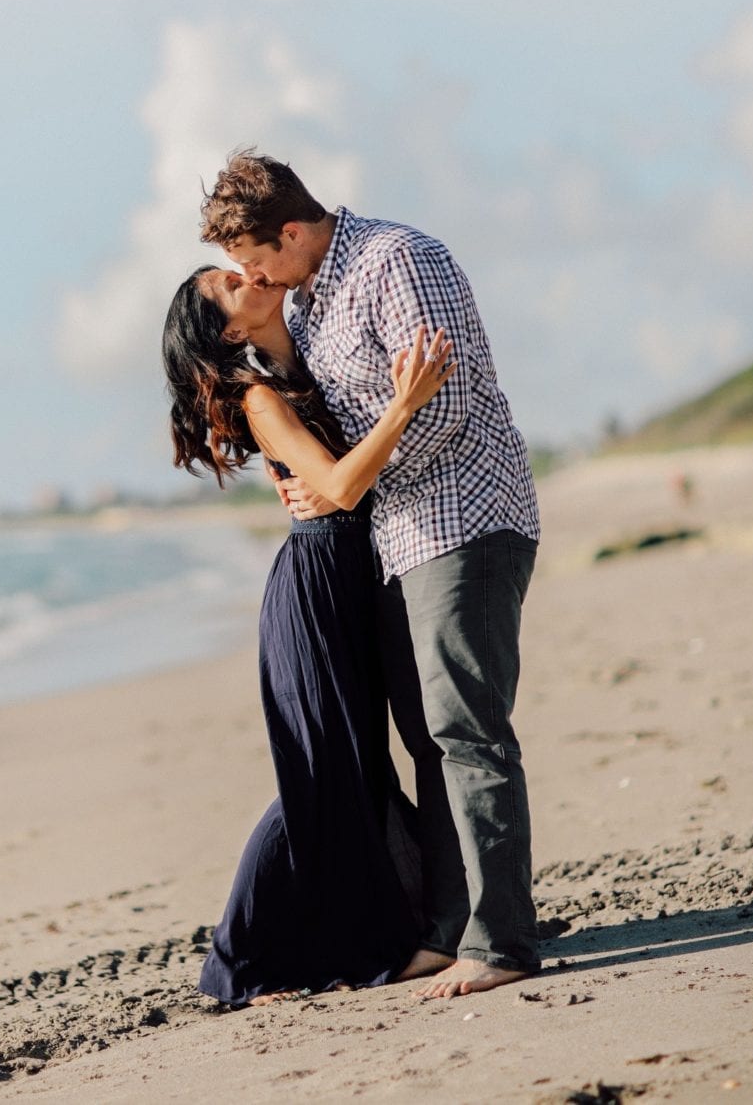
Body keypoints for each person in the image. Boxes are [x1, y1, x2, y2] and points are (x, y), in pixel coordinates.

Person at [200, 151, 542, 998]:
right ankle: (450, 928)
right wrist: (317, 482)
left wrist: (342, 486)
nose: (253, 277)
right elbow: (327, 430)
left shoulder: (397, 261)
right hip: (393, 540)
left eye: (254, 261)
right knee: (428, 741)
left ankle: (500, 942)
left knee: (467, 731)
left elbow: (447, 405)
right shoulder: (310, 300)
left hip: (464, 519)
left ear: (288, 231)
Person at [162, 262, 455, 1006]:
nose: (242, 273)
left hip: (355, 577)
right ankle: (236, 962)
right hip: (316, 592)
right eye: (227, 285)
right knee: (322, 776)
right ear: (231, 329)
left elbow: (317, 477)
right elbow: (339, 485)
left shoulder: (308, 361)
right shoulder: (260, 395)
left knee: (366, 774)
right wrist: (405, 403)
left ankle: (410, 921)